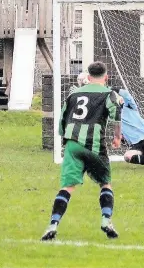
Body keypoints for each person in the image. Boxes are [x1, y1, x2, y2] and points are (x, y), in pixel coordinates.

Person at [41, 61, 122, 242]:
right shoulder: (109, 94)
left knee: (67, 187)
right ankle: (106, 221)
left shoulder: (73, 93)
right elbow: (117, 114)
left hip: (72, 145)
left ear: (88, 77)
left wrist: (65, 138)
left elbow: (62, 119)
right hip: (94, 145)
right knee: (105, 183)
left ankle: (53, 224)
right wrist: (117, 137)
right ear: (106, 77)